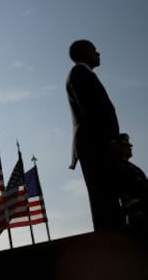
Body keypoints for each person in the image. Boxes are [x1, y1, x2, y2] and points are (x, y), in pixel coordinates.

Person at [66, 39, 124, 231]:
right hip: (95, 145)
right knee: (102, 195)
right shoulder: (79, 74)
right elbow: (91, 111)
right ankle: (110, 238)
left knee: (109, 193)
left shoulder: (84, 74)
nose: (98, 54)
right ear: (83, 53)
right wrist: (109, 141)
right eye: (94, 50)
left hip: (98, 143)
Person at [117, 133, 148, 229]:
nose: (130, 148)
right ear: (119, 148)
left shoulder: (133, 168)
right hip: (138, 215)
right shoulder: (119, 168)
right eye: (126, 146)